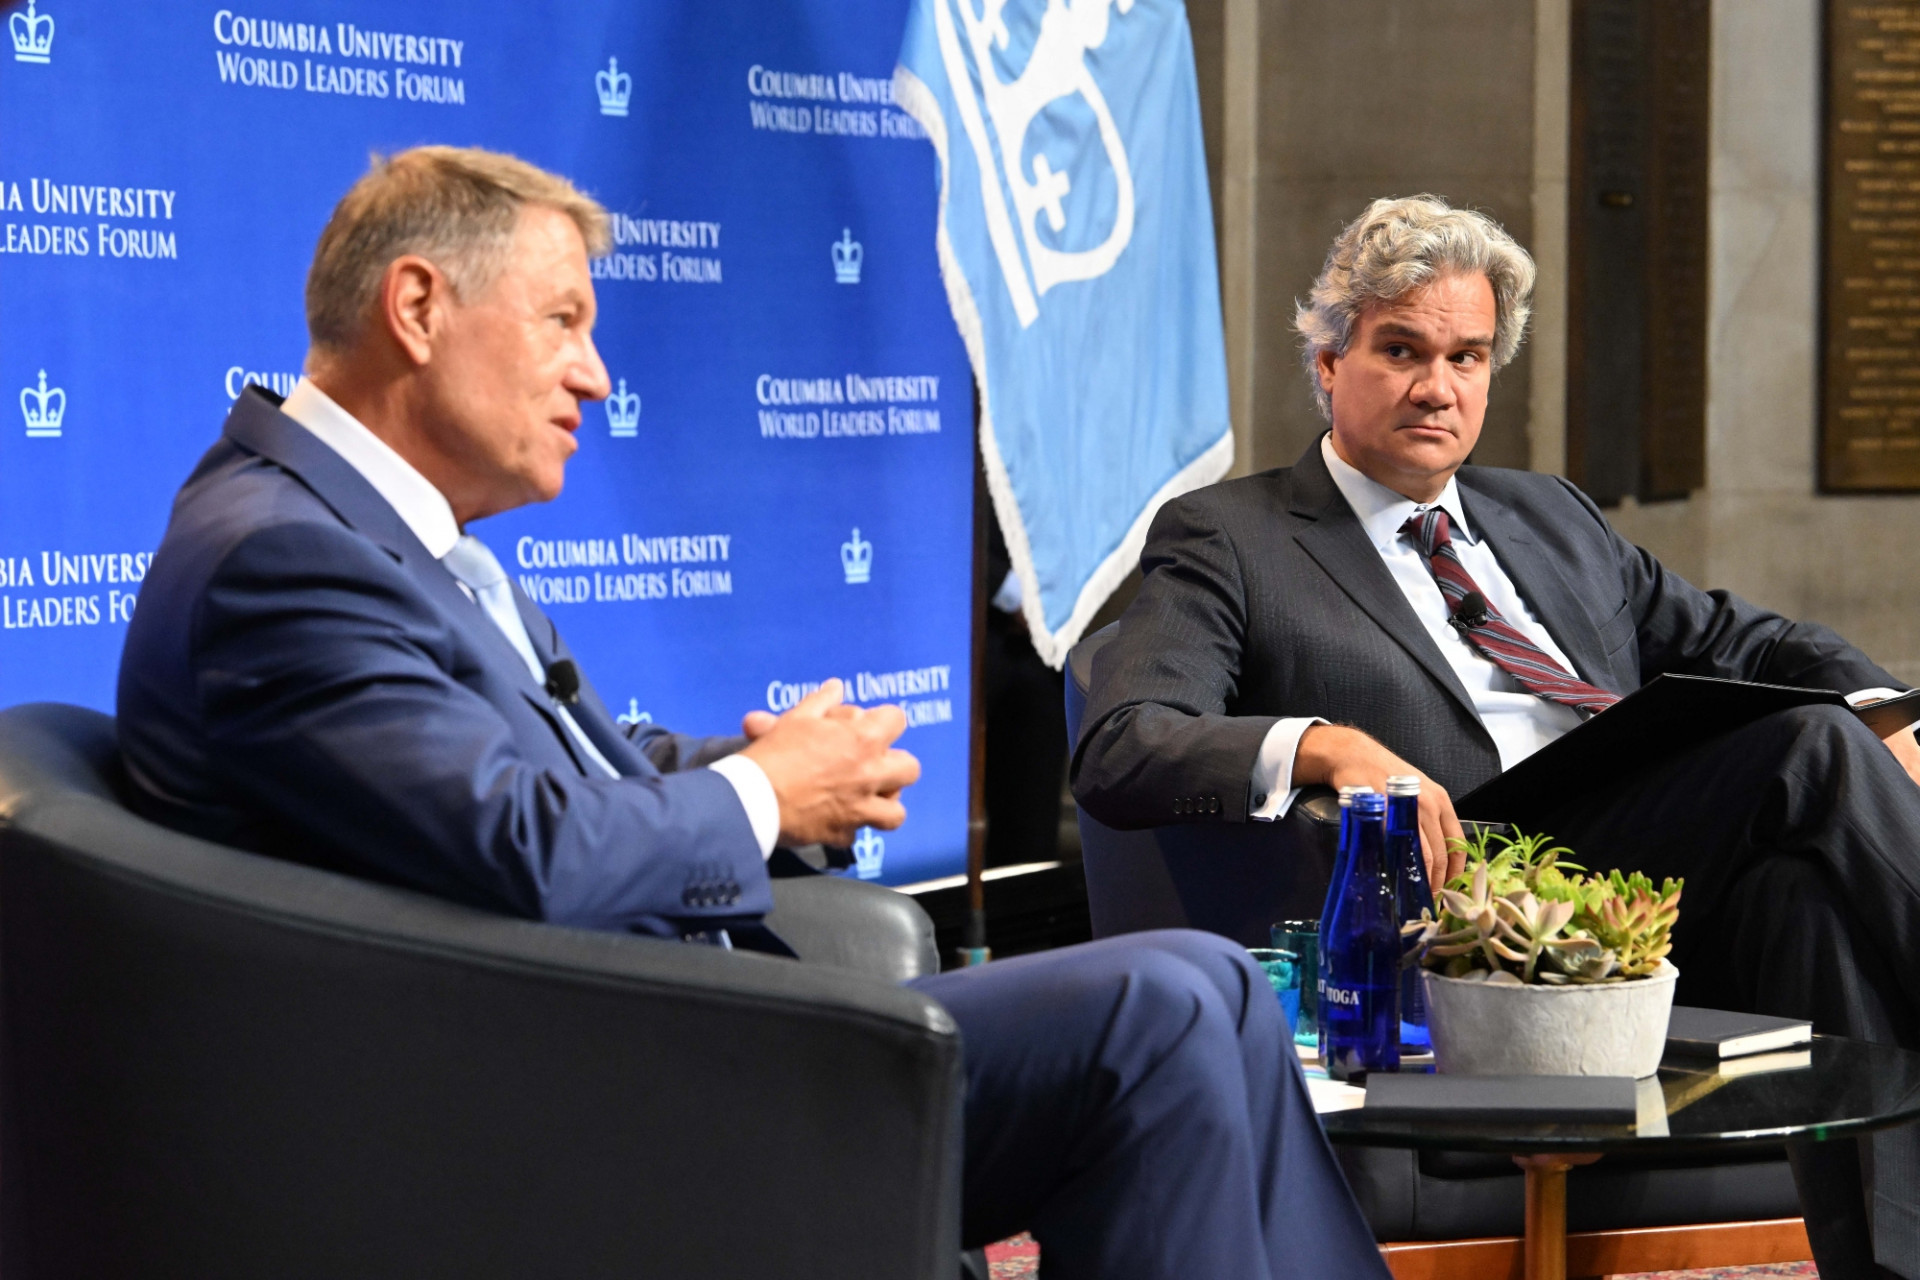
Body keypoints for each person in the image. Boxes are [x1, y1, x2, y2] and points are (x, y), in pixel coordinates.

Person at [114, 146, 1390, 1280]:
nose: (594, 375)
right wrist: (763, 794)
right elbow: (525, 850)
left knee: (1217, 986)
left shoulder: (363, 535)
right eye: (563, 321)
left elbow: (554, 775)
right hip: (568, 1102)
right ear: (416, 306)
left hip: (641, 1037)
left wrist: (770, 769)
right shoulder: (284, 560)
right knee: (1168, 1001)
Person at [1073, 193, 1920, 1278]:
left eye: (1466, 357)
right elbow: (1126, 742)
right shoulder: (1231, 535)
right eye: (1401, 350)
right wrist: (1326, 743)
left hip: (1635, 897)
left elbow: (1739, 637)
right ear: (1328, 363)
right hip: (1468, 891)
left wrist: (1893, 711)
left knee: (1807, 889)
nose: (1438, 386)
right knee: (1810, 747)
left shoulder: (1548, 515)